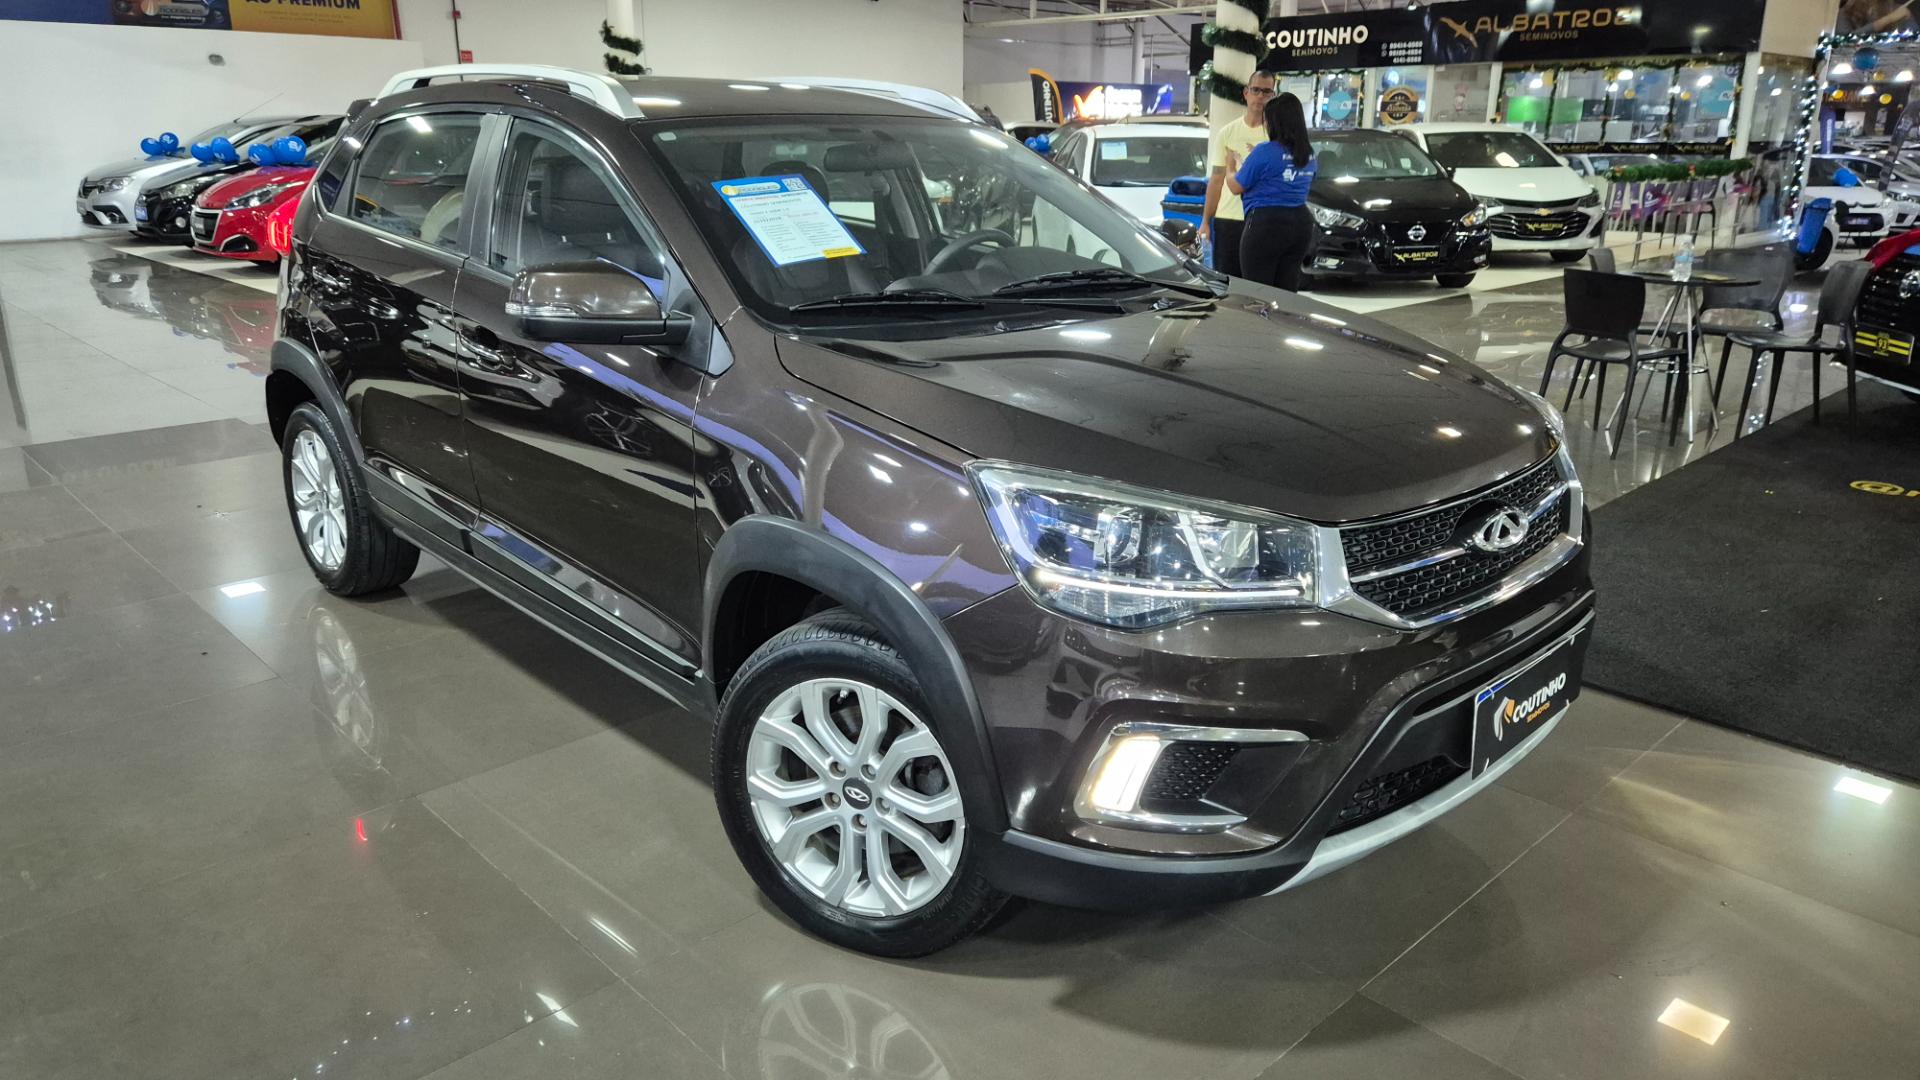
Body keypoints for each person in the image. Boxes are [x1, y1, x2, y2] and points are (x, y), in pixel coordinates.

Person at [1226, 92, 1317, 291]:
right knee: (1286, 291)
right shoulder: (1308, 154)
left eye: (1266, 119)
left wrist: (1230, 168)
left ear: (1275, 122)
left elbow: (1235, 186)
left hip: (1267, 225)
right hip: (1301, 224)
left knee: (1258, 292)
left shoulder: (1265, 151)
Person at [1201, 71, 1275, 277]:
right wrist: (1205, 221)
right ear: (1246, 93)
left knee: (1257, 282)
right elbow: (1216, 179)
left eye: (1266, 92)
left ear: (1273, 96)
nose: (1260, 96)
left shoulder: (1276, 135)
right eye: (1256, 90)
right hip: (1227, 220)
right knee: (1226, 281)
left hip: (1261, 219)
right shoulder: (1227, 132)